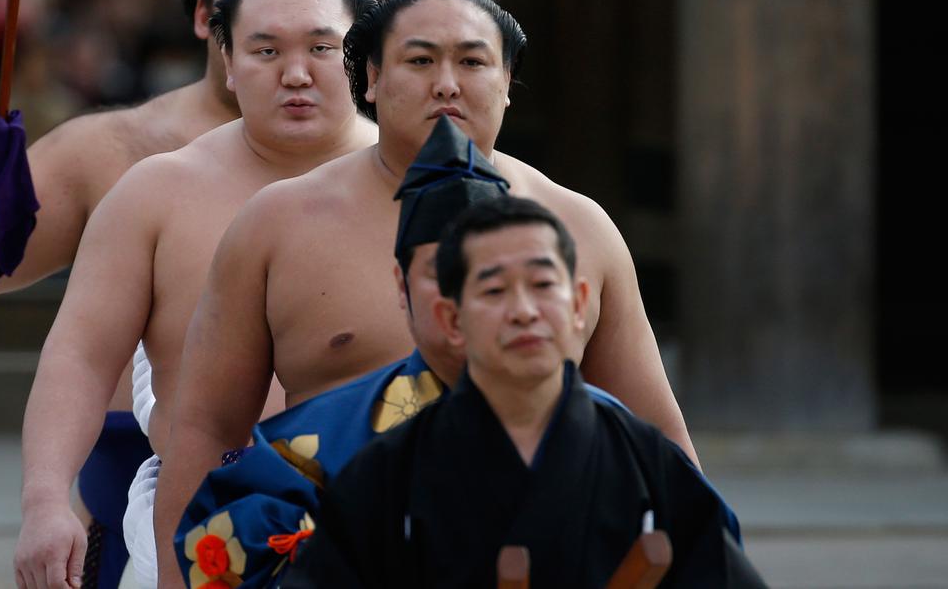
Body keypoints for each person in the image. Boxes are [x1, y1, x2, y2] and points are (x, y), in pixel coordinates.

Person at [156, 0, 696, 587]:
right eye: (419, 61)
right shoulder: (275, 224)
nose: (446, 85)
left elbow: (657, 435)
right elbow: (206, 428)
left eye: (472, 62)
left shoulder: (581, 227)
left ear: (507, 80)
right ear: (371, 79)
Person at [0, 0, 297, 589]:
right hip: (133, 470)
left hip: (328, 468)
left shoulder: (377, 156)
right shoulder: (115, 149)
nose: (275, 19)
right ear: (205, 18)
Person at [15, 0, 378, 589]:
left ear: (365, 58)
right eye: (266, 50)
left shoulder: (430, 189)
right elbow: (81, 355)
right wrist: (44, 500)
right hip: (193, 522)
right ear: (228, 62)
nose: (296, 73)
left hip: (381, 524)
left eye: (322, 48)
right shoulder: (155, 192)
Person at [283, 196, 767, 588]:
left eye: (542, 284)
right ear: (452, 319)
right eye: (494, 291)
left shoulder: (644, 462)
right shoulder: (386, 474)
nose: (523, 311)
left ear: (578, 303)